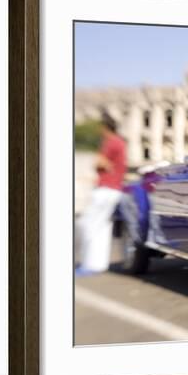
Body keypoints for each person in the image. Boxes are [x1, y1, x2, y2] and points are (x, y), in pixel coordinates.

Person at [75, 112, 127, 276]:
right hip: (114, 189)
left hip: (105, 189)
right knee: (102, 227)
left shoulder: (110, 142)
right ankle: (98, 265)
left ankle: (89, 263)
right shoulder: (120, 142)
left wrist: (97, 158)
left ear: (105, 128)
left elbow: (99, 162)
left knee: (86, 224)